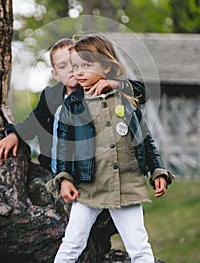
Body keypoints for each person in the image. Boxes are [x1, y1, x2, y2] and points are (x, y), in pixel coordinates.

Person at [46, 34, 174, 263]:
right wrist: (64, 178)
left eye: (87, 64)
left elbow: (146, 140)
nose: (79, 71)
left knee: (139, 247)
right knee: (72, 244)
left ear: (106, 66)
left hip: (126, 186)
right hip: (88, 188)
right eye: (76, 66)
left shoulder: (126, 100)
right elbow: (63, 149)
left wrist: (158, 171)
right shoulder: (71, 108)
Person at [0, 37, 149, 169]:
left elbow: (142, 93)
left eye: (75, 63)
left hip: (94, 169)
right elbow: (33, 123)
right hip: (57, 167)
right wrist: (14, 135)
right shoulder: (50, 96)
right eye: (62, 66)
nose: (71, 70)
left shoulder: (97, 88)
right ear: (55, 74)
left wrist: (116, 84)